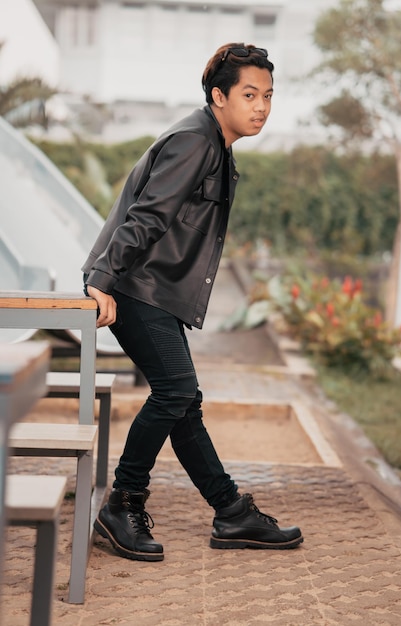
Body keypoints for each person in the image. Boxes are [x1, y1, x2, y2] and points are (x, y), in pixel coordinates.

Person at [82, 42, 303, 561]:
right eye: (250, 94)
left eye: (269, 96)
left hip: (147, 288)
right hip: (134, 286)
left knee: (183, 400)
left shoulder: (214, 145)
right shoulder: (194, 142)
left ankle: (230, 513)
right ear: (218, 95)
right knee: (176, 391)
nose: (262, 107)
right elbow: (148, 217)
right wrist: (104, 278)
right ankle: (121, 505)